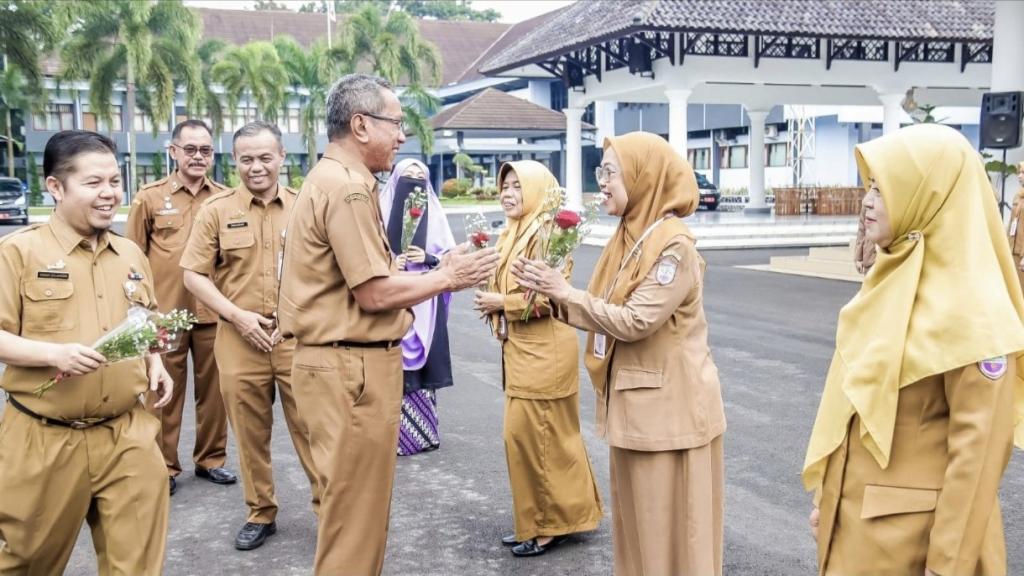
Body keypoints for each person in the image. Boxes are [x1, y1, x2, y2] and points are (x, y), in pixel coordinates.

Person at [278, 73, 499, 576]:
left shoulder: (335, 180)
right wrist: (446, 277)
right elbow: (373, 293)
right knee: (353, 524)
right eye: (395, 124)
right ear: (360, 125)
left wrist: (434, 267)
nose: (402, 135)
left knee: (355, 516)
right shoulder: (350, 189)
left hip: (340, 364)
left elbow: (368, 276)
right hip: (349, 367)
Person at [802, 124, 1024, 575]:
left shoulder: (976, 312)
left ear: (930, 195)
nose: (867, 201)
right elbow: (855, 408)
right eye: (869, 186)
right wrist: (832, 497)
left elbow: (976, 464)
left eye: (884, 189)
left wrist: (945, 569)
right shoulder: (891, 282)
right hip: (856, 534)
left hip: (917, 550)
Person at [512, 132, 726, 575]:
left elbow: (635, 320)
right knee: (636, 537)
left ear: (642, 177)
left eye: (610, 172)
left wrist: (563, 292)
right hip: (634, 409)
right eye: (600, 171)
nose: (602, 183)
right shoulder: (629, 236)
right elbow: (601, 306)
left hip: (669, 417)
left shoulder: (673, 245)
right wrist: (551, 294)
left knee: (670, 538)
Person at [0, 130, 173, 574]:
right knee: (27, 563)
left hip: (127, 433)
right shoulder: (19, 252)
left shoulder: (130, 253)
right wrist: (52, 355)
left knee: (137, 566)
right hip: (45, 437)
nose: (110, 194)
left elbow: (143, 323)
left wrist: (155, 360)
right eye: (94, 183)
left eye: (115, 181)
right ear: (55, 187)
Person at [180, 121, 320, 551]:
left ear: (282, 157)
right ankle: (261, 512)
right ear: (234, 161)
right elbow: (192, 274)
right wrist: (237, 317)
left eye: (264, 157)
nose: (256, 167)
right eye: (246, 159)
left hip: (295, 339)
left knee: (313, 430)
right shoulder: (217, 210)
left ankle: (329, 509)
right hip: (239, 340)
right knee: (250, 433)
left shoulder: (305, 207)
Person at [472, 160, 603, 557]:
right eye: (504, 186)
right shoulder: (511, 232)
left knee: (539, 439)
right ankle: (545, 518)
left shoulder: (548, 232)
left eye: (517, 186)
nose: (507, 194)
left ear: (537, 189)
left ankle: (548, 526)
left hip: (545, 355)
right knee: (530, 439)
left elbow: (549, 296)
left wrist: (501, 302)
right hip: (523, 354)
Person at [126, 119, 236, 495]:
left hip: (211, 313)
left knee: (216, 393)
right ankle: (164, 466)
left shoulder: (224, 198)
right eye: (190, 149)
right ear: (173, 151)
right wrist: (139, 311)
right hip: (166, 317)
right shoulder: (150, 197)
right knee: (161, 393)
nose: (198, 157)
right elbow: (133, 258)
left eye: (205, 150)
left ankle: (211, 460)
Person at [379, 158, 457, 455]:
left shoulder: (435, 215)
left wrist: (427, 257)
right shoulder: (378, 210)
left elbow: (447, 258)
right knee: (392, 366)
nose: (414, 183)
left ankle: (422, 433)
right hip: (394, 298)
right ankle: (393, 437)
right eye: (407, 177)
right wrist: (390, 263)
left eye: (419, 177)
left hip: (426, 302)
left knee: (422, 370)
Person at [1008, 161, 1024, 289]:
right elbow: (1011, 223)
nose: (1019, 176)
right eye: (1019, 173)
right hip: (1014, 250)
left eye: (1023, 173)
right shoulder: (1017, 196)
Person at [853, 201, 876, 274]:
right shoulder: (868, 200)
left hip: (888, 258)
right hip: (870, 259)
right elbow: (861, 230)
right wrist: (858, 258)